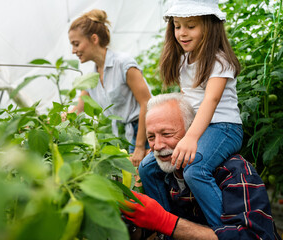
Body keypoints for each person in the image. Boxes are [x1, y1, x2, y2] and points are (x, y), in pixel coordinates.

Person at [121, 93, 281, 240]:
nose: (157, 145)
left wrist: (167, 222)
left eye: (167, 134)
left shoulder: (235, 172)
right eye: (151, 137)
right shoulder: (159, 175)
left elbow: (255, 237)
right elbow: (148, 228)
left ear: (193, 131)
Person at [146, 0, 243, 226]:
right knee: (147, 168)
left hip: (224, 128)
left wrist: (190, 137)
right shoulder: (183, 60)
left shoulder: (220, 60)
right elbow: (186, 100)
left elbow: (211, 100)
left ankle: (225, 230)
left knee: (195, 170)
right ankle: (167, 225)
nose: (182, 33)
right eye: (177, 26)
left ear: (209, 27)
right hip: (197, 127)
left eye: (190, 26)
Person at [68, 9, 151, 166]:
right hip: (120, 135)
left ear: (94, 39)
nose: (73, 51)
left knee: (142, 180)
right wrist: (50, 122)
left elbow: (147, 102)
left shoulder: (123, 64)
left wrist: (139, 147)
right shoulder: (92, 78)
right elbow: (78, 109)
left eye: (76, 44)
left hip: (143, 131)